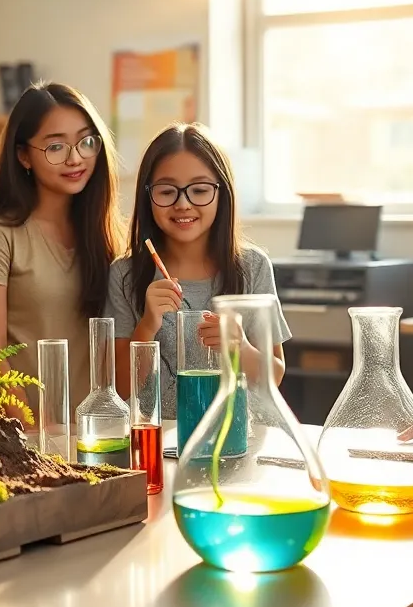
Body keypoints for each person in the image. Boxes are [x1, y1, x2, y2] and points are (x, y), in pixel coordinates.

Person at [105, 123, 291, 414]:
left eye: (200, 190)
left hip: (238, 438)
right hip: (161, 442)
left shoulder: (253, 266)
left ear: (222, 192)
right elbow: (121, 389)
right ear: (147, 195)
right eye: (167, 192)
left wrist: (238, 346)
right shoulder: (125, 274)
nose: (183, 204)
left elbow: (274, 377)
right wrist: (148, 325)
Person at [0, 83, 126, 414]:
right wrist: (33, 433)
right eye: (55, 147)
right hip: (33, 437)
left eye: (86, 142)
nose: (75, 158)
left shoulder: (107, 234)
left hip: (98, 430)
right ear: (23, 155)